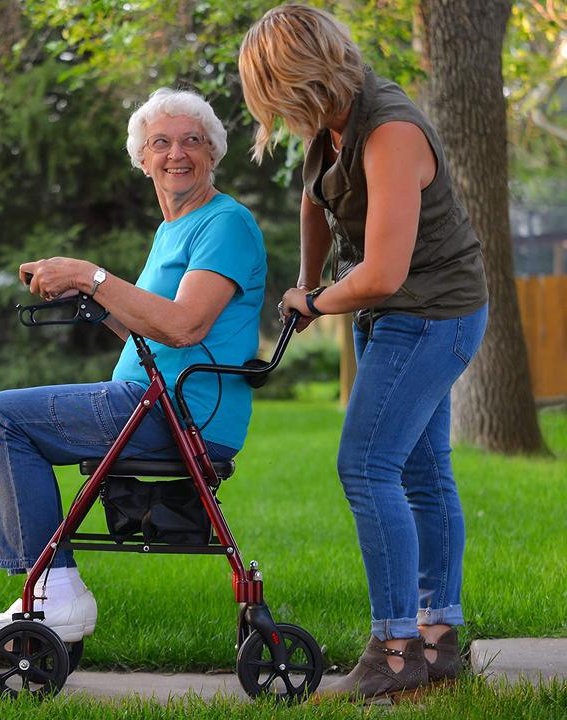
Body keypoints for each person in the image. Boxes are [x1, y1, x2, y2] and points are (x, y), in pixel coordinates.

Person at [239, 4, 488, 702]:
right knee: (422, 472)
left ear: (297, 78)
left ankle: (396, 649)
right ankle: (439, 642)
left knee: (367, 466)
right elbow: (315, 203)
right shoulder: (335, 124)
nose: (275, 112)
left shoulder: (390, 131)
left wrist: (315, 305)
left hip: (433, 316)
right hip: (392, 314)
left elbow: (384, 274)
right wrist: (306, 280)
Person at [0, 88, 267, 643]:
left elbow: (183, 326)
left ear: (214, 154)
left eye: (192, 141)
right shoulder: (171, 229)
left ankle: (55, 589)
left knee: (2, 418)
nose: (177, 154)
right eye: (161, 143)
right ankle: (51, 589)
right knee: (7, 419)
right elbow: (147, 328)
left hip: (176, 412)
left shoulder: (224, 223)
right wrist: (88, 299)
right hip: (152, 403)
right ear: (143, 159)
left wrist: (90, 275)